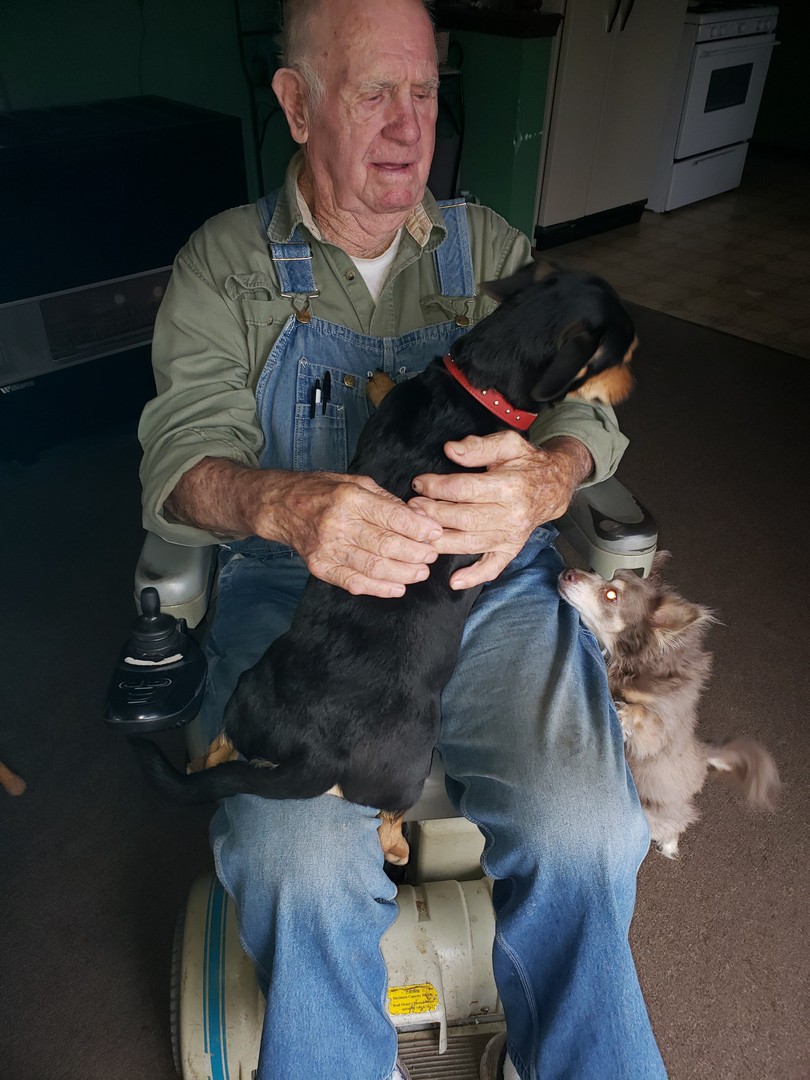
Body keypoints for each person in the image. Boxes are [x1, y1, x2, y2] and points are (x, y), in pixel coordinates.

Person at [138, 1, 667, 1077]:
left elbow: (589, 404)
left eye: (424, 91)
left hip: (490, 584)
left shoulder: (492, 247)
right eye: (374, 91)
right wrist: (289, 506)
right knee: (295, 860)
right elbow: (181, 463)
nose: (408, 123)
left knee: (587, 834)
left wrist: (550, 476)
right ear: (297, 105)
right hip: (304, 598)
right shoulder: (224, 265)